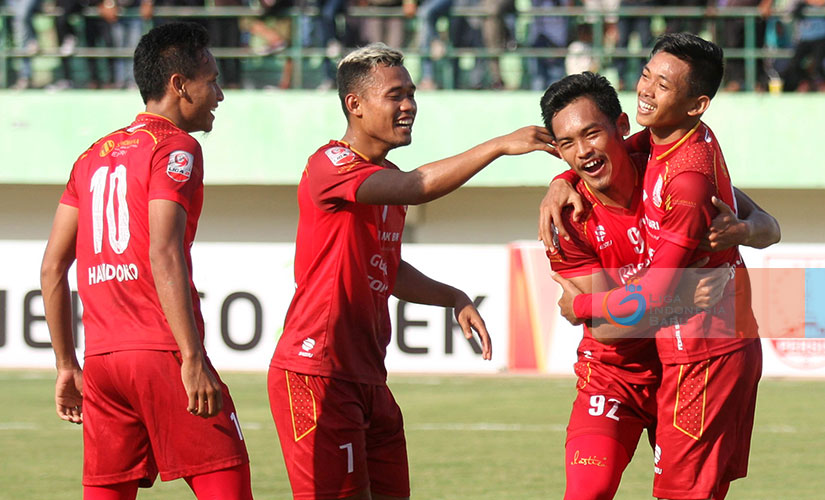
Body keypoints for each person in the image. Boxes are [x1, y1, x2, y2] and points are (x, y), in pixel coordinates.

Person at [267, 42, 554, 500]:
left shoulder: (385, 176)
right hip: (316, 372)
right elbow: (415, 187)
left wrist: (453, 297)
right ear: (354, 105)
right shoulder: (332, 163)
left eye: (412, 94)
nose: (409, 106)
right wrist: (498, 146)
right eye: (396, 95)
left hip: (367, 377)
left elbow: (388, 266)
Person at [548, 33, 773, 500]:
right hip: (620, 373)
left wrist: (582, 305)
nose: (647, 89)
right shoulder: (636, 157)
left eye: (663, 85)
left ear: (697, 104)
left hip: (703, 353)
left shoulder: (685, 178)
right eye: (646, 75)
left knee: (682, 494)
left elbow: (762, 224)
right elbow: (608, 333)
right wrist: (560, 178)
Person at [40, 22, 253, 500]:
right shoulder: (177, 148)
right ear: (180, 85)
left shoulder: (92, 156)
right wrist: (193, 358)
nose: (219, 93)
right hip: (160, 353)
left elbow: (52, 268)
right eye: (212, 80)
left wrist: (65, 365)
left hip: (102, 363)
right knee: (228, 482)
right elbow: (163, 250)